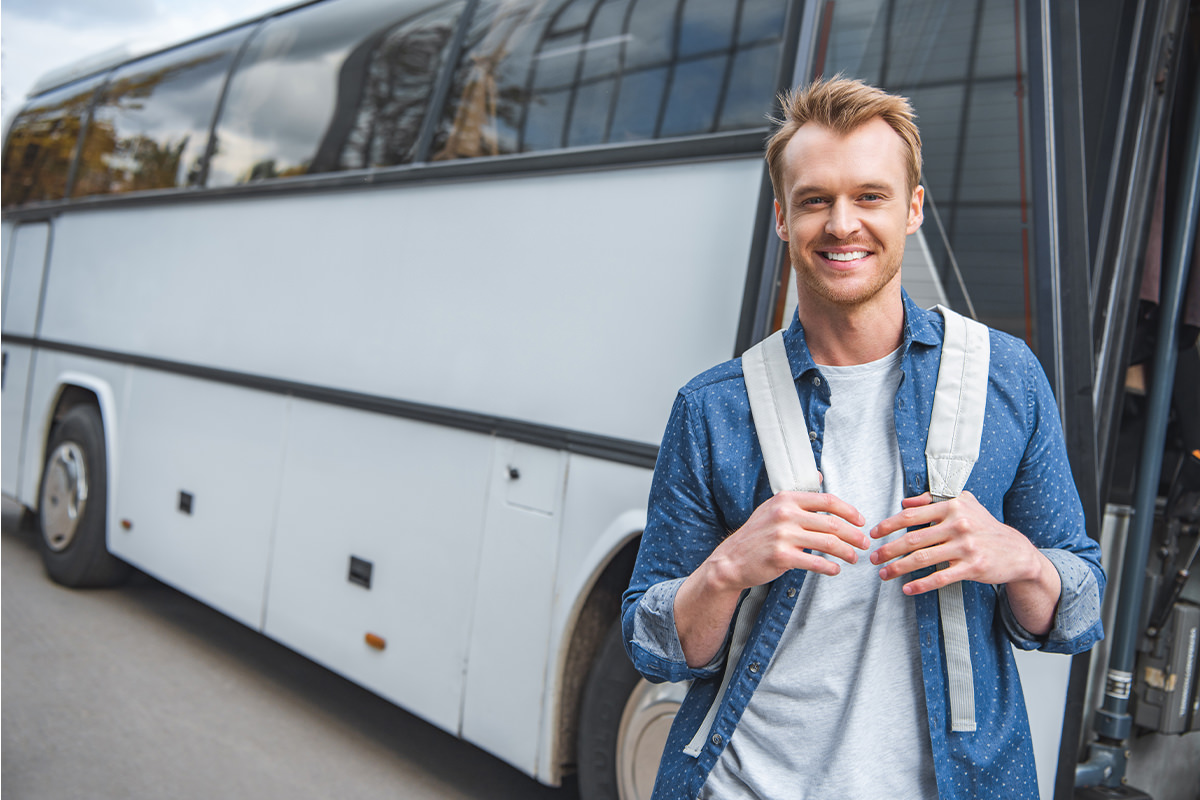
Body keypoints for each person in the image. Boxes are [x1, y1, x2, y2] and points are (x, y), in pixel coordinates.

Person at [621, 76, 1105, 800]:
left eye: (870, 196)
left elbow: (1080, 610)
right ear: (784, 219)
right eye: (816, 200)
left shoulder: (1006, 376)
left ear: (911, 209)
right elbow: (654, 645)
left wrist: (1023, 561)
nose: (842, 224)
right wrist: (725, 569)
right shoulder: (712, 407)